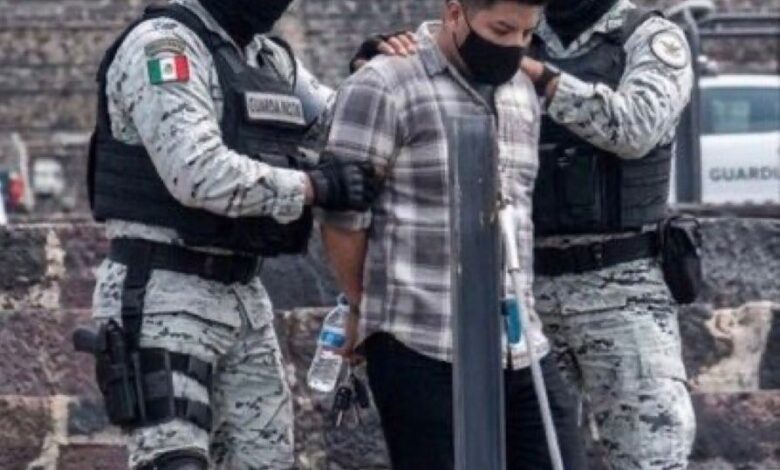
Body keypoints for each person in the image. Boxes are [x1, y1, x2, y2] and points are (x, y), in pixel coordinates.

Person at [83, 0, 413, 468]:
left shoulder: (268, 59)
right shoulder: (164, 46)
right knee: (175, 460)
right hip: (162, 293)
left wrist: (369, 82)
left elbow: (337, 125)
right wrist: (313, 186)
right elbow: (196, 171)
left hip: (243, 300)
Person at [318, 1, 587, 469]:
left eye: (526, 34)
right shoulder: (383, 85)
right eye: (501, 30)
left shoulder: (520, 92)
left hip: (518, 342)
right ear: (455, 13)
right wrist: (362, 306)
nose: (513, 46)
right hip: (420, 339)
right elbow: (344, 217)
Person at [518, 0, 697, 468]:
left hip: (623, 291)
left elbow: (636, 128)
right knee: (531, 456)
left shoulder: (649, 38)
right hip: (528, 291)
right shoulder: (518, 32)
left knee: (650, 455)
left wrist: (545, 80)